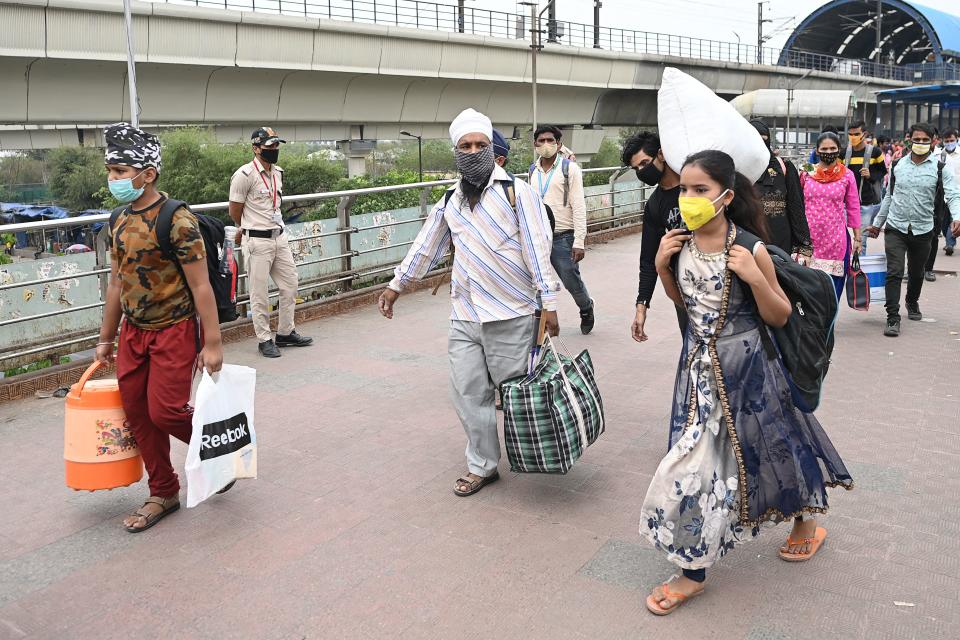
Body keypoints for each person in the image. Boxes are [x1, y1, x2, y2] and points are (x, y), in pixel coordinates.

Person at [639, 149, 852, 615]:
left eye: (702, 190)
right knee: (695, 463)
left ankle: (804, 523)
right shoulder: (679, 244)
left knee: (774, 448)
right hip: (697, 372)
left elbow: (776, 313)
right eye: (685, 190)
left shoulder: (749, 247)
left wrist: (756, 277)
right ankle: (693, 570)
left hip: (751, 370)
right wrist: (660, 268)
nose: (690, 199)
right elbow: (685, 305)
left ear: (726, 196)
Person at [378, 108, 560, 497]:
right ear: (457, 151)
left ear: (491, 148)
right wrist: (397, 285)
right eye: (466, 146)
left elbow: (537, 248)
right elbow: (425, 247)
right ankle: (483, 464)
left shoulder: (517, 192)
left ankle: (532, 452)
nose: (474, 150)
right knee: (467, 392)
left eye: (481, 144)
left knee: (515, 393)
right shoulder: (450, 200)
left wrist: (550, 303)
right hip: (465, 314)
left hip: (512, 312)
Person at [95, 123, 226, 533]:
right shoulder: (117, 220)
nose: (113, 179)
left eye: (120, 171)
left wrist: (214, 343)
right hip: (133, 332)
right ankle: (164, 491)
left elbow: (201, 284)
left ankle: (218, 452)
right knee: (137, 413)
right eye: (111, 171)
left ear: (146, 174)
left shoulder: (177, 220)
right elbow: (116, 282)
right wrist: (105, 338)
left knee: (166, 410)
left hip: (175, 329)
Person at [867, 122, 960, 337]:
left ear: (933, 142)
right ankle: (892, 316)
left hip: (923, 230)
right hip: (896, 227)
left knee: (917, 273)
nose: (919, 143)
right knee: (895, 272)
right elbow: (889, 196)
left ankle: (912, 301)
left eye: (924, 140)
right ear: (909, 140)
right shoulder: (898, 165)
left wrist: (957, 217)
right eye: (916, 139)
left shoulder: (940, 168)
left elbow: (953, 195)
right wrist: (877, 223)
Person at [229, 127, 312, 358]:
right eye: (269, 146)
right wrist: (247, 227)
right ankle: (264, 339)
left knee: (290, 285)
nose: (274, 150)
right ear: (256, 149)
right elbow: (235, 210)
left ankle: (285, 332)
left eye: (276, 145)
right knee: (259, 293)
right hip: (256, 241)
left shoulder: (278, 173)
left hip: (279, 237)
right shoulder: (244, 175)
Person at [621, 131, 687, 342]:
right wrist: (642, 306)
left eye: (644, 163)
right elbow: (648, 260)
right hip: (685, 289)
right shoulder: (654, 205)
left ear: (661, 154)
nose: (642, 171)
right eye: (636, 168)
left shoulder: (698, 186)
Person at [531, 125, 594, 334]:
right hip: (538, 237)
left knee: (570, 280)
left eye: (550, 140)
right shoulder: (533, 171)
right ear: (535, 144)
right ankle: (542, 324)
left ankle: (586, 307)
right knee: (538, 283)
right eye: (541, 141)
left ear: (559, 144)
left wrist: (579, 241)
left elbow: (579, 205)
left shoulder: (569, 169)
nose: (546, 145)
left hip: (562, 237)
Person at [802, 131, 862, 300]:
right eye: (824, 149)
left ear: (839, 149)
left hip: (835, 241)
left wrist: (858, 238)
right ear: (817, 151)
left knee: (832, 291)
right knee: (808, 288)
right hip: (808, 240)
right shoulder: (806, 172)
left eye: (833, 148)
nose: (829, 152)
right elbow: (796, 203)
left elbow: (853, 207)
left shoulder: (847, 175)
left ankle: (828, 326)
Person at [749, 119, 813, 259]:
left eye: (763, 139)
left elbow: (796, 206)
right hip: (748, 244)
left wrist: (804, 245)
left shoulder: (784, 167)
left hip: (781, 243)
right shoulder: (739, 169)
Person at [841, 121, 887, 254]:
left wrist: (870, 175)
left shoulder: (875, 152)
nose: (853, 137)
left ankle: (859, 271)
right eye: (850, 134)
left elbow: (882, 171)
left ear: (864, 134)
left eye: (856, 134)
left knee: (861, 241)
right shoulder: (843, 153)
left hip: (865, 203)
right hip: (844, 204)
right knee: (843, 239)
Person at [940, 127, 960, 257]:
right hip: (943, 194)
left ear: (957, 139)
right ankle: (949, 240)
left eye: (951, 140)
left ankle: (950, 243)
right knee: (943, 221)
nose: (949, 143)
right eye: (946, 141)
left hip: (958, 193)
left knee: (954, 218)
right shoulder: (939, 155)